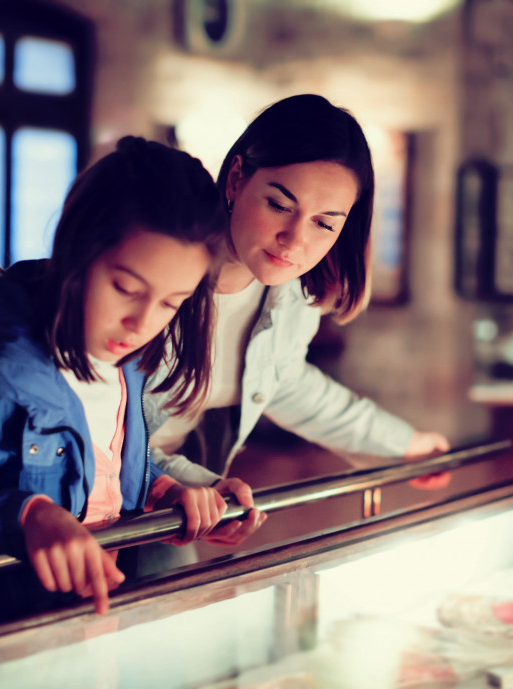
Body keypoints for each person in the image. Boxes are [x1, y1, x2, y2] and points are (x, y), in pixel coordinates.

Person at [0, 136, 248, 627]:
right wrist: (26, 516)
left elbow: (101, 477)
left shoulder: (127, 366)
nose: (141, 323)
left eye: (171, 303)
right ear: (76, 251)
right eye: (126, 289)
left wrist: (164, 492)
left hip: (89, 629)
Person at [144, 94, 452, 561]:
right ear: (236, 179)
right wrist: (193, 485)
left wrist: (401, 444)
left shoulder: (289, 296)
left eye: (325, 225)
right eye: (280, 204)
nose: (295, 241)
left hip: (174, 495)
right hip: (93, 481)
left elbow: (285, 382)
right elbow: (97, 421)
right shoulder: (158, 273)